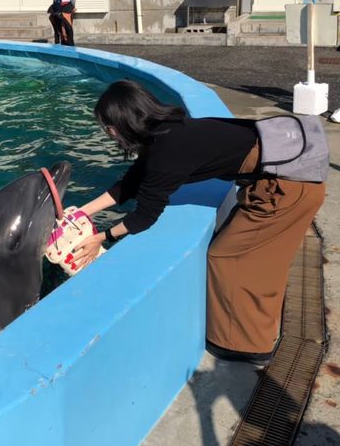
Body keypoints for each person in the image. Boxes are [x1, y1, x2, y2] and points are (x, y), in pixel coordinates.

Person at [72, 79, 326, 366]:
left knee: (229, 258)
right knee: (258, 260)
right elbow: (130, 183)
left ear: (120, 124)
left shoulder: (165, 152)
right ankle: (256, 329)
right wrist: (82, 213)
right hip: (284, 179)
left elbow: (145, 217)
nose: (109, 134)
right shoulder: (167, 131)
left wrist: (101, 237)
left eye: (108, 127)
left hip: (287, 188)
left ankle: (248, 347)